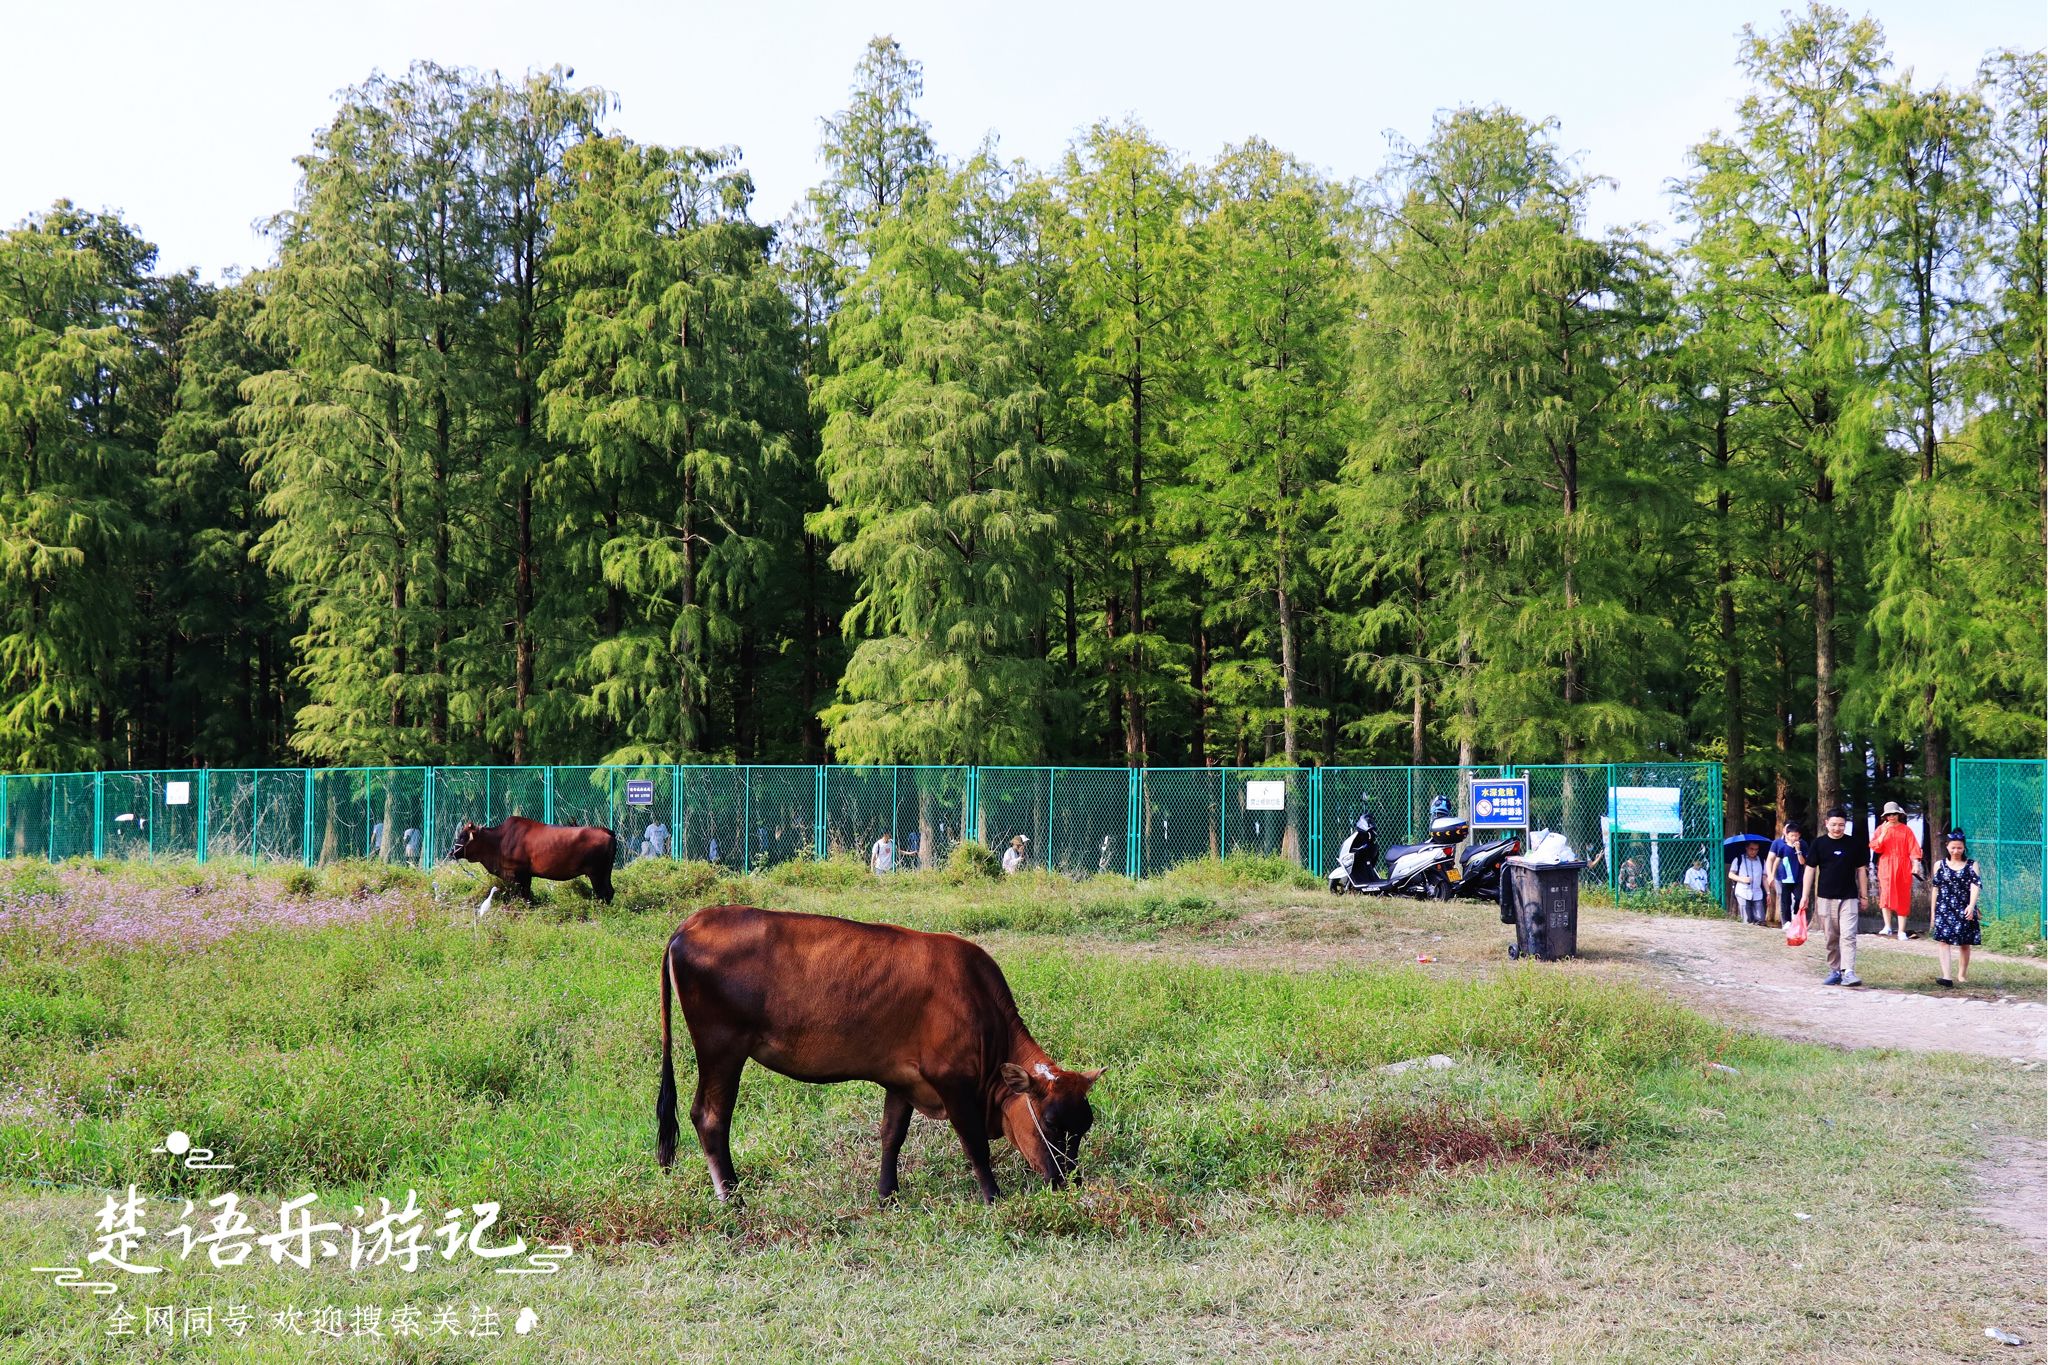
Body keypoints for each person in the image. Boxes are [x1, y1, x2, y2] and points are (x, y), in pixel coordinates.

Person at [1803, 807, 1869, 987]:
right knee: (1831, 936)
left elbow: (1861, 870)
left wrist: (1864, 896)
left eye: (1841, 825)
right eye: (1833, 825)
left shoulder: (1854, 844)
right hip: (1825, 897)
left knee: (1848, 935)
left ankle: (1849, 972)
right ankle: (1835, 970)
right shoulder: (1818, 844)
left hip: (1849, 896)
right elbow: (1810, 869)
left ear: (1845, 825)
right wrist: (1804, 896)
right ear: (1826, 824)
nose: (1837, 828)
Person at [1929, 829, 1982, 988]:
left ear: (1964, 847)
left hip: (1964, 907)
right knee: (1944, 941)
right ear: (1947, 846)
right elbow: (1935, 889)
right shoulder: (1940, 865)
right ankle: (1946, 976)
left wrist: (1971, 907)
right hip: (1944, 908)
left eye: (1959, 848)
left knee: (1964, 943)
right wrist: (1932, 912)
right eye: (1953, 847)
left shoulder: (1972, 865)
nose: (1956, 851)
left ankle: (1962, 974)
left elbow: (1975, 886)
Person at [1868, 800, 1922, 939]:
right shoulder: (1881, 829)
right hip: (1886, 864)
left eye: (1894, 814)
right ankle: (1887, 926)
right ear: (1885, 816)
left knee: (1903, 894)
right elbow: (1875, 846)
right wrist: (1882, 834)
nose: (1891, 817)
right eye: (1889, 814)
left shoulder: (1906, 830)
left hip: (1903, 865)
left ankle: (1902, 930)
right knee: (1885, 893)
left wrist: (1915, 864)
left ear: (1898, 814)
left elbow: (1914, 848)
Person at [1766, 821, 1807, 930]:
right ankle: (1786, 922)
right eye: (1791, 834)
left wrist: (1798, 850)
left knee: (1798, 898)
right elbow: (1772, 860)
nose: (1794, 837)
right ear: (1785, 832)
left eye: (1796, 835)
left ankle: (1796, 918)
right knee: (1784, 899)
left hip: (1798, 877)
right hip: (1782, 878)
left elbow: (1804, 862)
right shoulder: (1778, 844)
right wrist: (1771, 875)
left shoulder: (1802, 844)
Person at [1728, 839, 1769, 925]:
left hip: (1757, 892)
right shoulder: (1739, 859)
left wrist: (1768, 892)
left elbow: (1764, 877)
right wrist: (1742, 879)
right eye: (1751, 849)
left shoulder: (1761, 861)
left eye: (1756, 849)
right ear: (1746, 848)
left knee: (1760, 920)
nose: (1753, 851)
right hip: (1743, 891)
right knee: (1747, 919)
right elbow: (1731, 874)